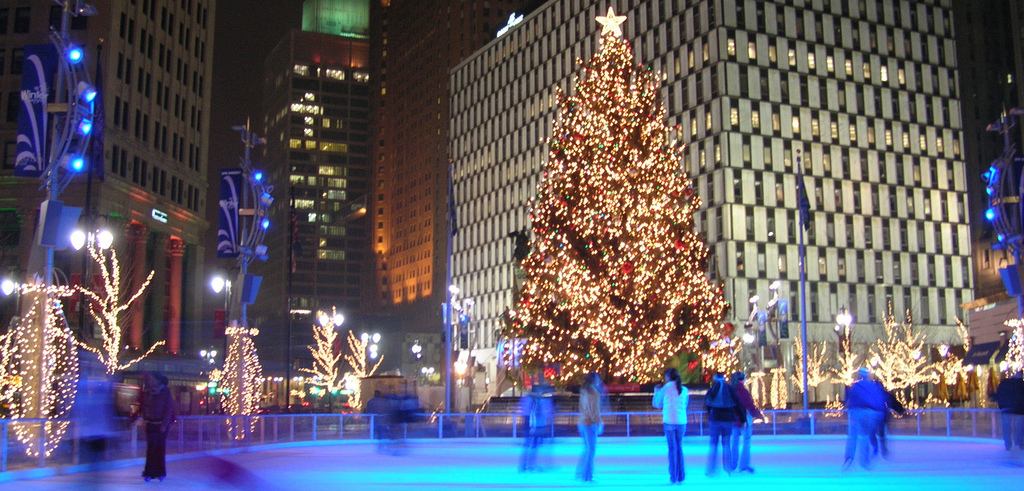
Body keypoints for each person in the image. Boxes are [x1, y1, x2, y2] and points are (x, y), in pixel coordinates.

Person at [74, 349, 117, 489]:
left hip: (93, 434)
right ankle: (93, 481)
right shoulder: (99, 398)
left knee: (93, 461)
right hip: (95, 433)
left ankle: (93, 481)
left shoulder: (89, 398)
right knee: (94, 461)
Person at [843, 367, 887, 470]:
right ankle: (865, 461)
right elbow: (879, 401)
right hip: (870, 413)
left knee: (853, 435)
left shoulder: (856, 386)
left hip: (857, 412)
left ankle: (849, 457)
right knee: (865, 436)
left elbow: (850, 401)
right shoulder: (873, 386)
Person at [653, 368, 688, 484]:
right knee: (679, 448)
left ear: (668, 377)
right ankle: (681, 475)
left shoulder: (665, 388)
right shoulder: (684, 389)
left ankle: (673, 476)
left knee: (672, 449)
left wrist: (656, 392)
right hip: (681, 421)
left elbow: (657, 404)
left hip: (669, 421)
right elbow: (685, 404)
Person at [140, 372, 175, 482]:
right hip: (150, 423)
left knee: (159, 448)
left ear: (158, 380)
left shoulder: (165, 393)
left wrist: (164, 425)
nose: (150, 381)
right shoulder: (148, 392)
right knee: (150, 448)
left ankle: (160, 472)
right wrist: (144, 417)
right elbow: (145, 406)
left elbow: (168, 410)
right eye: (149, 379)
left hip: (160, 425)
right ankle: (149, 472)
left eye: (152, 379)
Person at [704, 372, 740, 476]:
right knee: (726, 443)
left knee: (713, 444)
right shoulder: (729, 389)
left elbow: (707, 404)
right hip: (727, 420)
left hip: (715, 419)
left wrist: (708, 415)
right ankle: (727, 468)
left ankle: (711, 469)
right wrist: (741, 418)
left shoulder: (712, 389)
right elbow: (736, 403)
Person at [729, 371, 764, 473]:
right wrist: (758, 415)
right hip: (743, 420)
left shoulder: (730, 391)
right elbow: (749, 405)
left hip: (733, 420)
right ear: (741, 380)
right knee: (746, 440)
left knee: (735, 441)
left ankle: (732, 464)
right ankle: (743, 464)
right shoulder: (742, 391)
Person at [519, 381, 554, 472]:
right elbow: (534, 412)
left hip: (531, 423)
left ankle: (526, 465)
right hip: (532, 424)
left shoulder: (532, 399)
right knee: (532, 445)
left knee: (531, 445)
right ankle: (528, 465)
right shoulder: (534, 400)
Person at [576, 372, 603, 482]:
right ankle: (587, 476)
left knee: (587, 448)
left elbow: (581, 407)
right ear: (594, 380)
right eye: (597, 379)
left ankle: (581, 473)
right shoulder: (593, 392)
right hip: (589, 423)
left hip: (582, 421)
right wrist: (598, 422)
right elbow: (594, 410)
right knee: (591, 449)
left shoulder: (584, 391)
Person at [872, 379, 905, 459]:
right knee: (880, 433)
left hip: (877, 416)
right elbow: (893, 402)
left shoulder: (875, 395)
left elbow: (892, 402)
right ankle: (882, 448)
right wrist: (900, 410)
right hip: (881, 415)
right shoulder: (883, 394)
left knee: (874, 432)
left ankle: (877, 447)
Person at [995, 371, 1024, 452]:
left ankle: (1008, 444)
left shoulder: (1005, 383)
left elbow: (999, 394)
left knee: (1007, 427)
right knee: (1019, 427)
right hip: (1020, 410)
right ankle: (1020, 443)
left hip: (1006, 409)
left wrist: (1001, 406)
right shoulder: (1022, 385)